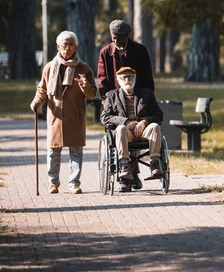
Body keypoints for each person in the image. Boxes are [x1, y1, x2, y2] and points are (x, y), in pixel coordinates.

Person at [30, 31, 97, 194]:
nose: (68, 48)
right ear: (58, 46)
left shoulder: (83, 68)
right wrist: (37, 102)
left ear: (76, 47)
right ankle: (53, 182)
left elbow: (92, 94)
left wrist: (85, 86)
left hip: (75, 115)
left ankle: (74, 183)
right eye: (64, 45)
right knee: (53, 150)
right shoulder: (49, 67)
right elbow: (43, 89)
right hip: (56, 115)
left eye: (71, 45)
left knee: (76, 151)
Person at [97, 19, 155, 189]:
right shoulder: (105, 53)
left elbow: (147, 78)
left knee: (136, 127)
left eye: (120, 38)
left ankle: (133, 173)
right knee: (121, 131)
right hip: (115, 102)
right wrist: (108, 101)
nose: (117, 42)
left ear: (127, 36)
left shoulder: (140, 51)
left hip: (138, 99)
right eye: (114, 38)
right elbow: (102, 80)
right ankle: (124, 175)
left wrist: (146, 100)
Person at [100, 66, 164, 192]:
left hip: (144, 131)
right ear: (118, 80)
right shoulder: (112, 95)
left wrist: (144, 122)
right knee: (121, 128)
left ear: (135, 78)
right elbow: (105, 117)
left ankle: (155, 162)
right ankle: (124, 165)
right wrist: (125, 122)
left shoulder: (146, 94)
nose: (127, 80)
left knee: (155, 126)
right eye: (123, 77)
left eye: (130, 76)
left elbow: (158, 114)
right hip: (125, 133)